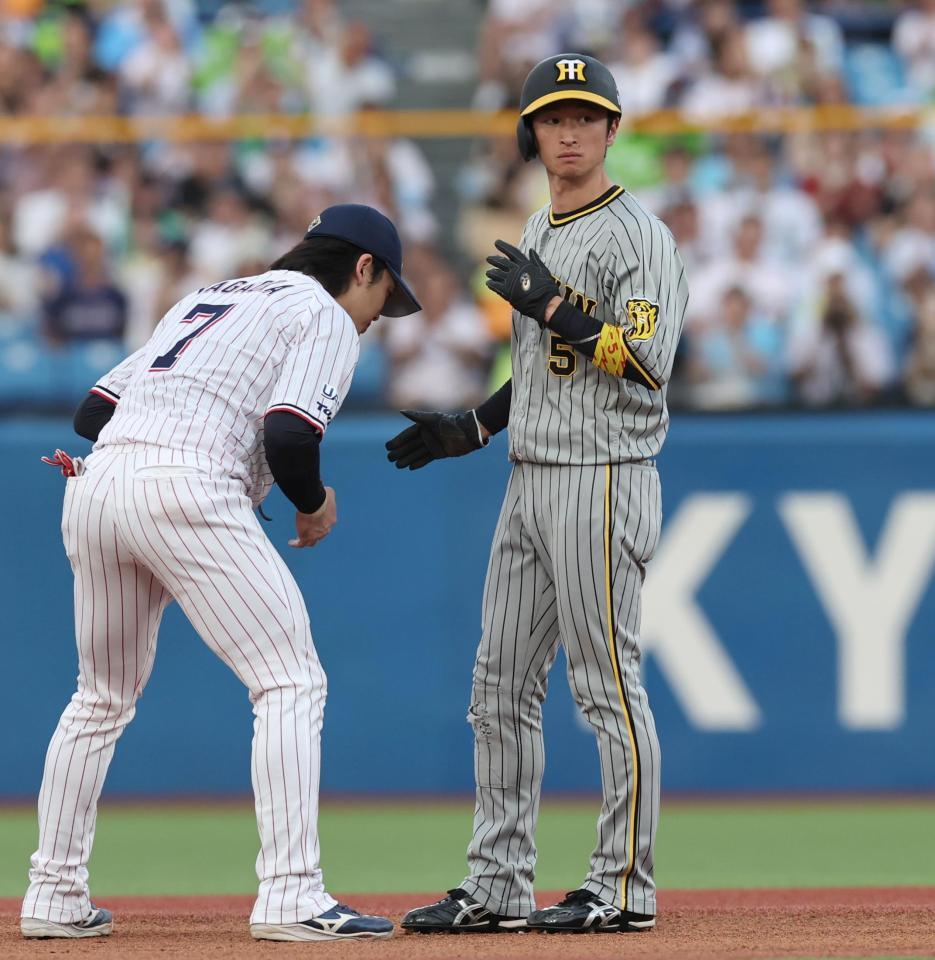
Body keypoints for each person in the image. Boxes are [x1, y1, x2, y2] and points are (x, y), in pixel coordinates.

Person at [20, 204, 420, 943]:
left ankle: (52, 895)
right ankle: (292, 896)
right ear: (362, 267)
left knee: (99, 697)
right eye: (383, 298)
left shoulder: (210, 296)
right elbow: (290, 431)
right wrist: (312, 502)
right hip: (187, 488)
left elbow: (90, 411)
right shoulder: (324, 313)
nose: (374, 318)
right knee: (289, 681)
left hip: (98, 488)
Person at [387, 54, 688, 934]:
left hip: (602, 477)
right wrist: (477, 426)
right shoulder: (539, 225)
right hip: (532, 477)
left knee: (605, 688)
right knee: (498, 688)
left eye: (585, 118)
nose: (569, 132)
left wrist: (555, 307)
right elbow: (542, 371)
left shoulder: (640, 235)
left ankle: (623, 888)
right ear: (531, 132)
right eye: (554, 118)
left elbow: (646, 366)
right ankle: (498, 887)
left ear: (611, 130)